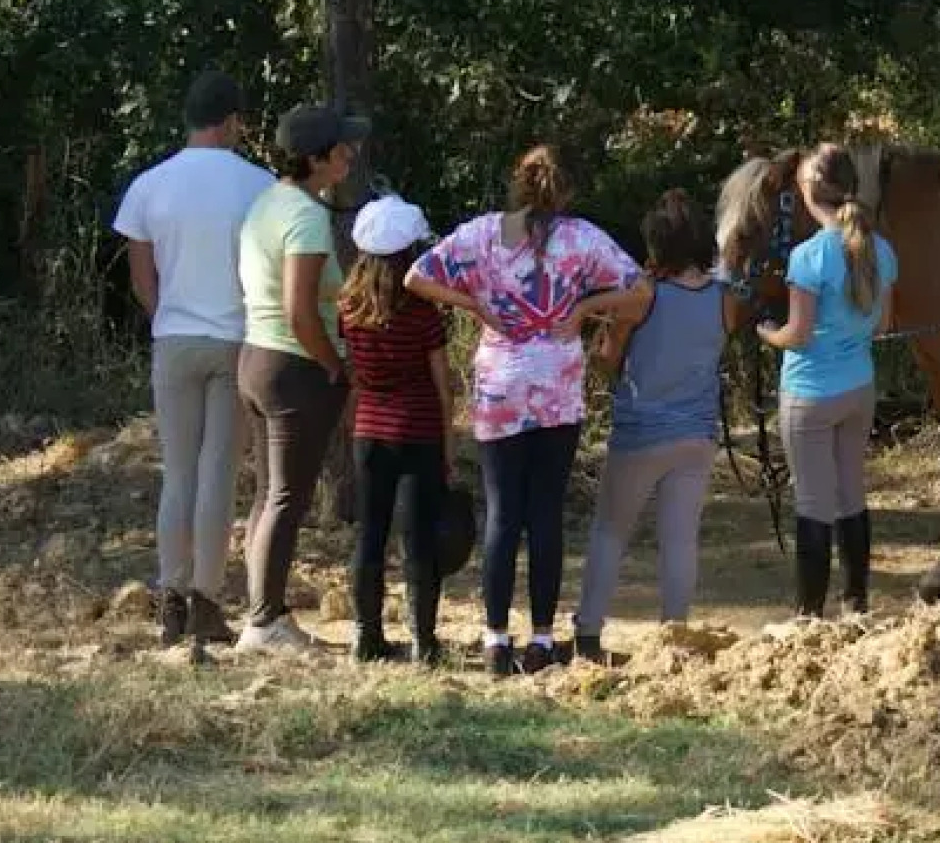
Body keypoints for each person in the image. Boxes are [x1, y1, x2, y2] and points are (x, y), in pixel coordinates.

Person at [406, 146, 651, 677]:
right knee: (544, 514)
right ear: (565, 191)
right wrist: (587, 307)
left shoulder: (483, 233)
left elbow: (416, 277)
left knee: (501, 514)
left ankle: (496, 638)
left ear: (518, 183)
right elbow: (641, 295)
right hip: (558, 387)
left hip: (501, 386)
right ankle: (541, 638)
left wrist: (475, 304)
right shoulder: (583, 239)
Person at [111, 70, 276, 646]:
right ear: (230, 120)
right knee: (218, 472)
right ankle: (206, 598)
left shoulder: (149, 185)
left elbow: (140, 275)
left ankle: (170, 595)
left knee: (177, 472)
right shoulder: (257, 185)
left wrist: (166, 317)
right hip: (236, 336)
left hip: (174, 337)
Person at [572, 191, 737, 657]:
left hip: (642, 429)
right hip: (696, 432)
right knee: (680, 539)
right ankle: (674, 632)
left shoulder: (642, 298)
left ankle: (588, 631)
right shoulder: (723, 299)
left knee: (610, 530)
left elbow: (607, 360)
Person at [234, 102, 370, 653]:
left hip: (258, 359)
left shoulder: (268, 203)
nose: (350, 154)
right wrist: (335, 367)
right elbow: (300, 310)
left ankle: (262, 615)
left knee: (270, 496)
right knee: (287, 498)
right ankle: (265, 623)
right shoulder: (307, 217)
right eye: (342, 148)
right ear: (318, 158)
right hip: (294, 367)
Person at [756, 143, 897, 618]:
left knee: (813, 502)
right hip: (859, 387)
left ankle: (809, 617)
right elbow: (881, 325)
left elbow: (797, 335)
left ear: (808, 192)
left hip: (811, 392)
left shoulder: (807, 257)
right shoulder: (881, 249)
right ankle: (856, 603)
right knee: (851, 494)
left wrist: (767, 334)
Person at [337, 194, 456, 666]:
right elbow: (442, 385)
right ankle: (425, 642)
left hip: (370, 430)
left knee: (370, 535)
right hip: (420, 430)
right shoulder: (423, 312)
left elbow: (356, 376)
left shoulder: (350, 308)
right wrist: (448, 445)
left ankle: (366, 637)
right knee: (418, 539)